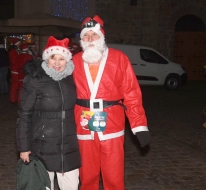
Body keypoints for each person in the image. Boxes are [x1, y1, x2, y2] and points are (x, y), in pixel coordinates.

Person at [72, 15, 151, 190]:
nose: (90, 39)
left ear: (102, 36)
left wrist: (139, 126)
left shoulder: (119, 58)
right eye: (86, 35)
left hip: (112, 123)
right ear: (81, 39)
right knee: (86, 175)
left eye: (94, 35)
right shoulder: (74, 60)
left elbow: (132, 94)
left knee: (113, 175)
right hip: (83, 124)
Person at [17, 36, 81, 190]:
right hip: (43, 143)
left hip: (68, 142)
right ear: (46, 58)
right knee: (45, 185)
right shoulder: (35, 79)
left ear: (67, 60)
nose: (57, 63)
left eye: (62, 58)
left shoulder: (72, 78)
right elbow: (24, 114)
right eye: (53, 58)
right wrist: (24, 147)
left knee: (72, 186)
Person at [9, 38, 21, 103]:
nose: (20, 44)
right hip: (15, 70)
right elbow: (14, 61)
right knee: (15, 85)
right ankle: (13, 99)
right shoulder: (13, 52)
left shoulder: (16, 50)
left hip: (16, 70)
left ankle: (14, 98)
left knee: (16, 85)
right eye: (19, 43)